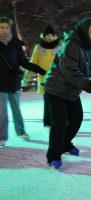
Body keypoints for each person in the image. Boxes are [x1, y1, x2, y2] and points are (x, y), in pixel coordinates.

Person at [43, 17, 91, 169]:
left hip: (71, 91)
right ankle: (53, 155)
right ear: (84, 33)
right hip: (55, 89)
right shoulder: (71, 45)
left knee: (77, 118)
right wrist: (87, 84)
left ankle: (65, 144)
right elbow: (70, 70)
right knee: (59, 123)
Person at [0, 16, 46, 146]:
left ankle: (20, 131)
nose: (4, 30)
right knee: (2, 112)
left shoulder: (15, 43)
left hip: (13, 81)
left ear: (10, 29)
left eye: (7, 27)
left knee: (16, 109)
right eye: (2, 27)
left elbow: (24, 62)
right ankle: (2, 136)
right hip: (0, 83)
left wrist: (40, 70)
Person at [22, 24, 60, 127]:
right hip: (45, 81)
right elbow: (33, 64)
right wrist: (26, 78)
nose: (49, 37)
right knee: (48, 103)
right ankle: (47, 123)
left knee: (59, 103)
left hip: (58, 80)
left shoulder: (59, 47)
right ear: (43, 36)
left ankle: (60, 121)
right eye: (47, 35)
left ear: (54, 36)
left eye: (51, 35)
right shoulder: (38, 48)